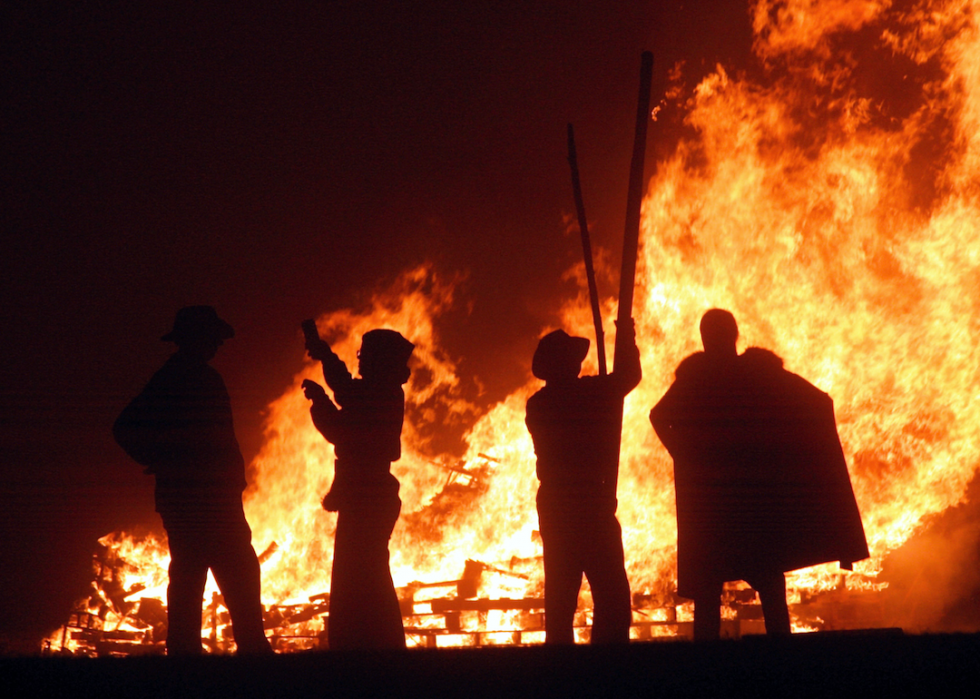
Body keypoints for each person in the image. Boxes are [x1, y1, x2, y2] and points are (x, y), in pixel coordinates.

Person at [650, 309, 869, 640]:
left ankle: (707, 659)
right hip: (746, 494)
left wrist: (685, 452)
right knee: (761, 573)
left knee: (717, 580)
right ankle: (778, 650)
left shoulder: (701, 377)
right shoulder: (754, 374)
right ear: (733, 336)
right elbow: (818, 402)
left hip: (718, 497)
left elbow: (658, 415)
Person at [113, 306, 272, 655]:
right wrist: (162, 458)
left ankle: (186, 652)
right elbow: (125, 428)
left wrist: (161, 459)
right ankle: (250, 648)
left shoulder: (179, 376)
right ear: (197, 339)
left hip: (193, 496)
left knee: (192, 573)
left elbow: (126, 428)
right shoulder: (183, 377)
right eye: (211, 337)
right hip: (206, 497)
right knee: (236, 571)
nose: (217, 344)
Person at [524, 321, 642, 644]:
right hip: (590, 504)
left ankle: (561, 666)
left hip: (558, 507)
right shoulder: (590, 394)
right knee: (613, 595)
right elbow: (628, 378)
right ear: (566, 364)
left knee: (561, 596)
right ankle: (608, 662)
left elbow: (619, 383)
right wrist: (627, 337)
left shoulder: (538, 405)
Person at [303, 325, 414, 650]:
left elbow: (341, 427)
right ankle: (378, 645)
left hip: (366, 496)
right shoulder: (383, 391)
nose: (360, 361)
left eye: (365, 356)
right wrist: (324, 354)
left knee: (360, 578)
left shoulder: (379, 394)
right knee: (367, 574)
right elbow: (345, 387)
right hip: (370, 493)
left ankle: (368, 646)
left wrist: (320, 402)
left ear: (379, 362)